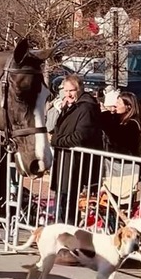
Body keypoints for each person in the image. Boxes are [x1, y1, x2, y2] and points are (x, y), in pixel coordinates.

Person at [50, 74, 103, 226]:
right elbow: (56, 127)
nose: (68, 94)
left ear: (80, 89)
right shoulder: (70, 106)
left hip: (75, 162)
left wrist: (55, 140)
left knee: (69, 201)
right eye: (65, 91)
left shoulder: (86, 107)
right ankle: (61, 229)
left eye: (71, 90)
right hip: (64, 159)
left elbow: (80, 136)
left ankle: (68, 232)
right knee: (62, 199)